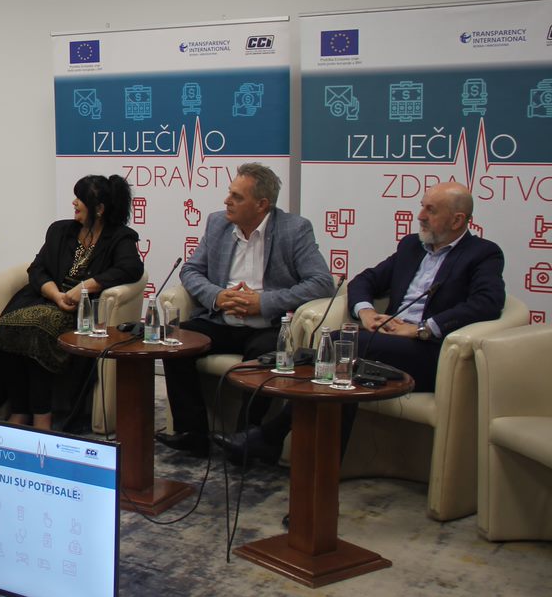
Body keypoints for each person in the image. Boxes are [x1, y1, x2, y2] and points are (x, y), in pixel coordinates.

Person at [216, 182, 506, 464]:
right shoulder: (412, 246)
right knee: (342, 378)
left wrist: (422, 329)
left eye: (431, 210)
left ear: (457, 220)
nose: (420, 216)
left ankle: (271, 438)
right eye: (422, 207)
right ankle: (313, 470)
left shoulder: (482, 254)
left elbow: (488, 302)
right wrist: (366, 312)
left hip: (430, 350)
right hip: (385, 342)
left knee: (340, 348)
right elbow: (365, 280)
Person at [156, 163, 334, 458]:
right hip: (221, 320)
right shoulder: (218, 224)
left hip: (267, 325)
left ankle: (246, 438)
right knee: (175, 342)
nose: (227, 201)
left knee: (263, 356)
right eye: (230, 193)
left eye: (237, 197)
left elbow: (321, 283)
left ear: (262, 204)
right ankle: (192, 432)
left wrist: (262, 303)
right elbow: (191, 271)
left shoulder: (293, 229)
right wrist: (218, 296)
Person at [0, 175, 143, 431]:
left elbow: (131, 268)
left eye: (80, 199)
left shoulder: (119, 237)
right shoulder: (60, 231)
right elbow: (37, 269)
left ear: (99, 209)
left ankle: (42, 416)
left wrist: (86, 286)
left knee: (37, 332)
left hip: (81, 310)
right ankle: (20, 409)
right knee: (5, 328)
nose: (74, 203)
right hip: (45, 297)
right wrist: (55, 294)